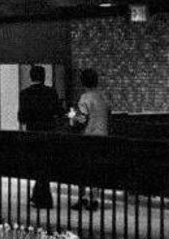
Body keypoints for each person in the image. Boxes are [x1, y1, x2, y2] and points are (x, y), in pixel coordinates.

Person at [18, 64, 64, 210]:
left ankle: (39, 197)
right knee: (45, 165)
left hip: (33, 134)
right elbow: (59, 112)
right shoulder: (51, 92)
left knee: (38, 165)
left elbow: (22, 117)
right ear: (44, 77)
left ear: (31, 76)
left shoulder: (24, 94)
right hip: (48, 134)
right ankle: (42, 197)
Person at [70, 68, 110, 210]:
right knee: (97, 169)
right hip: (103, 136)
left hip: (88, 137)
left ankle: (83, 198)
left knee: (84, 169)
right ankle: (95, 198)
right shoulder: (103, 97)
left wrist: (72, 118)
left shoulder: (85, 98)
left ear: (83, 82)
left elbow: (81, 119)